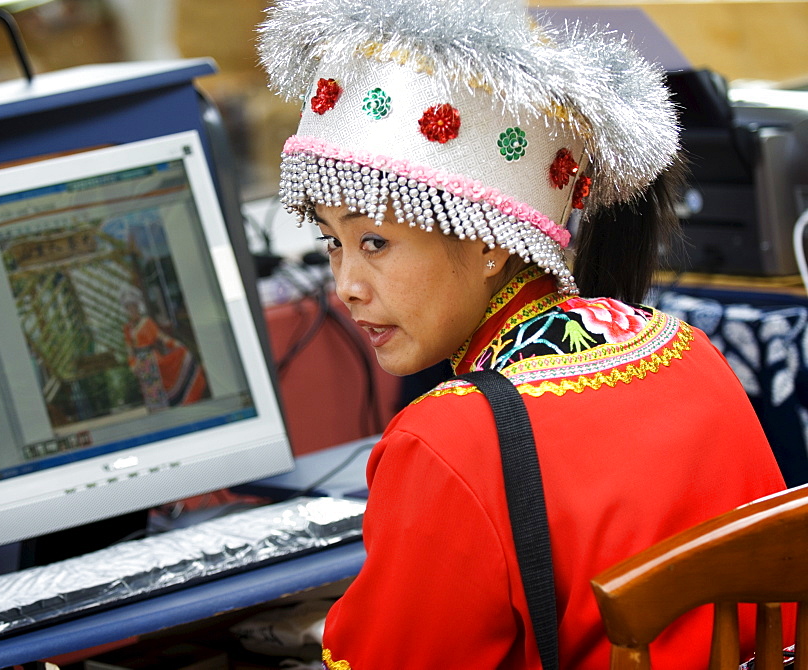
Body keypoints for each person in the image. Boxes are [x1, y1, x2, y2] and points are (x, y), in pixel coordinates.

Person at [257, 1, 790, 668]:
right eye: (331, 244)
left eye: (375, 242)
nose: (347, 286)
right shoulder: (682, 349)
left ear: (487, 242)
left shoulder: (450, 437)